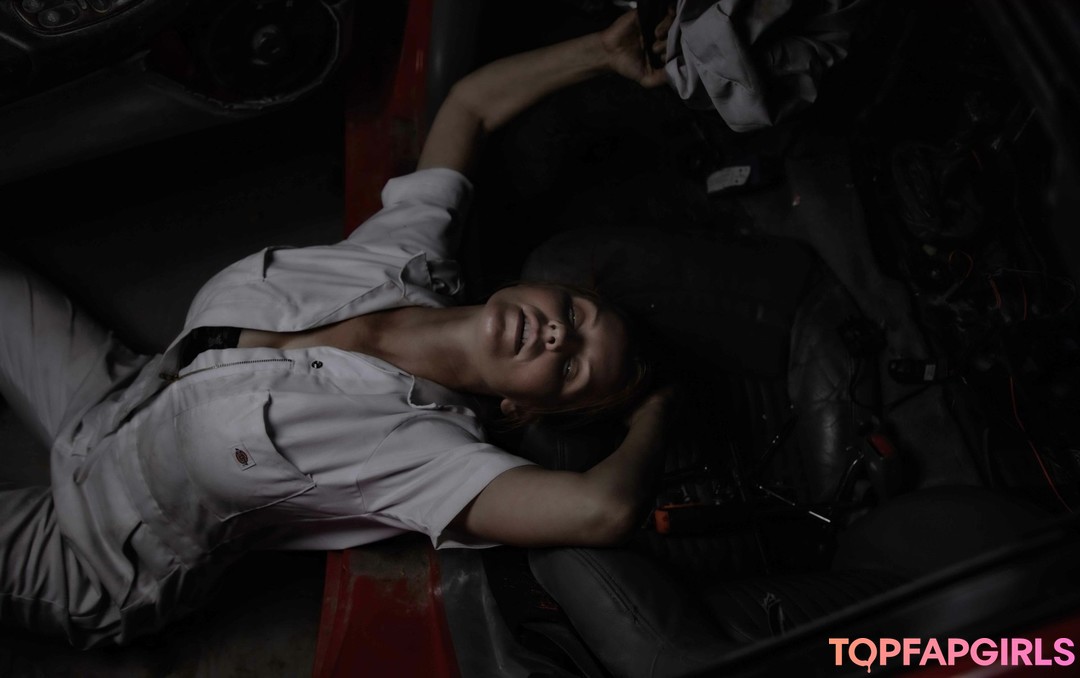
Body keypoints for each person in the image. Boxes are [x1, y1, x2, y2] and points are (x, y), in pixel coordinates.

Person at [0, 9, 674, 648]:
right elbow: (470, 105)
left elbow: (602, 508)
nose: (558, 336)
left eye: (570, 367)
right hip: (116, 397)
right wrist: (601, 53)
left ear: (521, 406)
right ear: (544, 287)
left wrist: (659, 406)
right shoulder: (405, 255)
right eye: (576, 316)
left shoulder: (423, 453)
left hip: (100, 557)